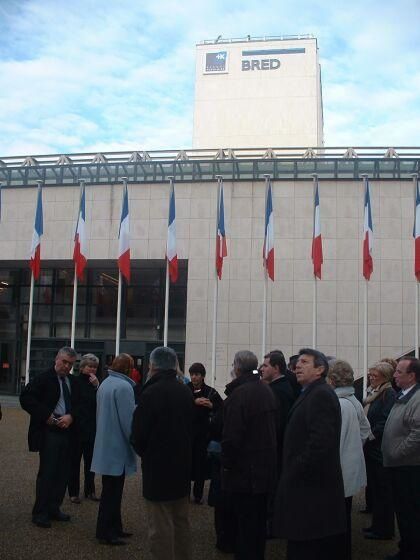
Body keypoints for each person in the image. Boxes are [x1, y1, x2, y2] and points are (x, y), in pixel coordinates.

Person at [274, 348, 346, 560]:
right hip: (306, 489)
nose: (298, 366)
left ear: (320, 369)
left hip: (311, 492)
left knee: (308, 548)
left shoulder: (320, 395)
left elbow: (320, 444)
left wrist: (295, 469)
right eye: (298, 362)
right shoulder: (310, 393)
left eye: (305, 362)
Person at [131, 346, 194, 560]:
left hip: (158, 468)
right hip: (182, 466)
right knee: (180, 522)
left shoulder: (150, 393)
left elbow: (138, 434)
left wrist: (146, 453)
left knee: (160, 526)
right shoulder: (185, 391)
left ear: (153, 366)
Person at [222, 350, 277, 560]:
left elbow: (231, 438)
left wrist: (227, 465)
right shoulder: (265, 390)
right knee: (256, 529)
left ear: (237, 367)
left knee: (245, 529)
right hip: (262, 472)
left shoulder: (240, 395)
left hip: (245, 475)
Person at [20, 346, 80, 528]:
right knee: (48, 473)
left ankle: (54, 508)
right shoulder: (43, 378)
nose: (67, 366)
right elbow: (26, 399)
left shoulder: (72, 381)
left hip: (68, 432)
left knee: (63, 473)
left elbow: (81, 404)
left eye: (70, 364)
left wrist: (71, 416)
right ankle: (40, 512)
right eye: (64, 362)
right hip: (49, 432)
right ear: (57, 359)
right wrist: (47, 416)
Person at [91, 353, 137, 546]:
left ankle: (114, 527)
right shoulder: (124, 387)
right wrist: (137, 441)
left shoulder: (105, 383)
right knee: (112, 493)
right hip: (117, 447)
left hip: (105, 444)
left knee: (111, 491)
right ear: (128, 368)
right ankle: (106, 532)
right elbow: (128, 422)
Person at [327, 359, 371, 560]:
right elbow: (365, 430)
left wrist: (350, 449)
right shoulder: (352, 400)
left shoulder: (341, 404)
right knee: (341, 518)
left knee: (338, 522)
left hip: (340, 472)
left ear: (332, 379)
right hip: (347, 469)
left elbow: (335, 442)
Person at [382, 357, 420, 560]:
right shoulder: (405, 395)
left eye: (398, 372)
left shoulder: (417, 398)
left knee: (410, 512)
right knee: (403, 512)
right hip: (399, 466)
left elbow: (417, 433)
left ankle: (411, 552)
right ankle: (407, 547)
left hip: (408, 467)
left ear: (411, 376)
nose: (394, 375)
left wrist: (397, 452)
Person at [363, 361, 396, 540]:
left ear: (384, 376)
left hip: (379, 450)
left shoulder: (388, 394)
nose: (370, 377)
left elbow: (386, 420)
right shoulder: (376, 393)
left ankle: (384, 529)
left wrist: (371, 435)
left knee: (383, 491)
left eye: (374, 375)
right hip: (372, 448)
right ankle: (377, 526)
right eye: (370, 374)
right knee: (376, 489)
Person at [188, 362, 223, 504]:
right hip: (188, 434)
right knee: (187, 463)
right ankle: (184, 493)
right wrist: (193, 402)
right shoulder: (185, 390)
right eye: (192, 375)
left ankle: (198, 495)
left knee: (201, 465)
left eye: (197, 375)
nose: (194, 378)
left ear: (203, 376)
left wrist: (212, 406)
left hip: (204, 435)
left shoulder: (211, 392)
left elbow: (222, 409)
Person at [68, 353, 100, 503]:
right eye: (89, 366)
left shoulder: (97, 384)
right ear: (82, 368)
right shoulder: (74, 382)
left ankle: (90, 490)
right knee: (74, 461)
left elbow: (100, 403)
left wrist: (97, 386)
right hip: (76, 428)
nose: (92, 369)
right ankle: (73, 492)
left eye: (94, 367)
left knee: (90, 462)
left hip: (91, 428)